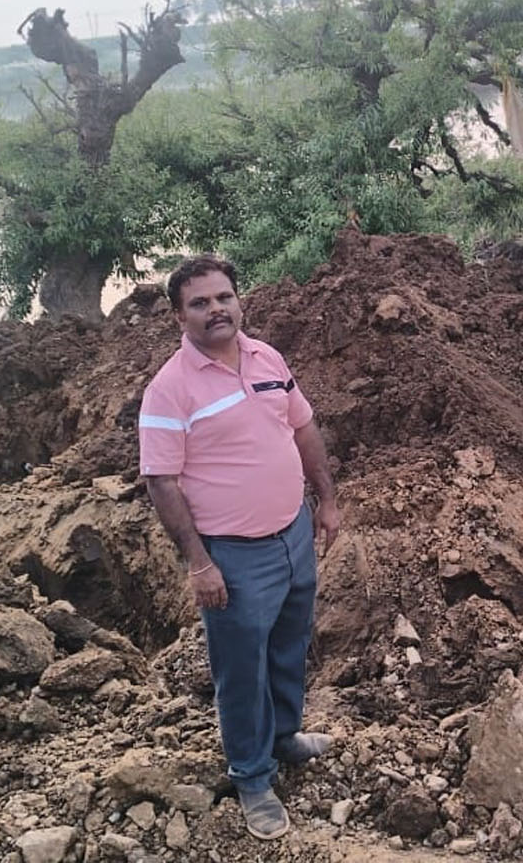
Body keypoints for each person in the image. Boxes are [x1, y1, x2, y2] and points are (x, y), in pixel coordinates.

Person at [138, 255, 342, 840]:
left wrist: (325, 502)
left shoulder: (267, 357)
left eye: (223, 297)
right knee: (240, 669)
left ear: (238, 299)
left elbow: (302, 428)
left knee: (288, 645)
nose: (216, 309)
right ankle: (253, 778)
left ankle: (284, 737)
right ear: (180, 316)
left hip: (293, 534)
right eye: (199, 303)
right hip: (233, 554)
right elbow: (161, 480)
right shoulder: (169, 390)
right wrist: (199, 562)